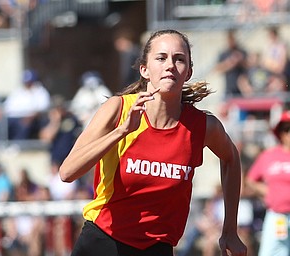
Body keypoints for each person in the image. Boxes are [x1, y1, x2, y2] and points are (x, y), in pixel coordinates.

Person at [59, 29, 247, 256]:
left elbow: (231, 158)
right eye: (161, 58)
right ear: (144, 70)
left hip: (157, 248)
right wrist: (121, 131)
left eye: (179, 59)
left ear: (188, 72)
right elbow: (67, 172)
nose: (170, 65)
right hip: (103, 242)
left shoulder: (203, 126)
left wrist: (230, 230)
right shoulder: (118, 109)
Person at [246, 110, 290, 256]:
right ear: (281, 133)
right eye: (286, 129)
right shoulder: (269, 156)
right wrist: (268, 192)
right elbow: (251, 179)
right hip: (277, 216)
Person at [3, 69, 51, 140]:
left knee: (23, 124)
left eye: (30, 82)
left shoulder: (41, 92)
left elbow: (43, 108)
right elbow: (7, 107)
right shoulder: (18, 91)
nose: (27, 84)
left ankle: (19, 146)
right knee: (0, 124)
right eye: (26, 82)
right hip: (13, 117)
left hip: (32, 119)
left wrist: (30, 117)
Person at [214, 29, 247, 99]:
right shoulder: (224, 54)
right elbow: (218, 69)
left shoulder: (242, 52)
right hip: (229, 89)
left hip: (242, 89)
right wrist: (230, 63)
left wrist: (240, 61)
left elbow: (249, 66)